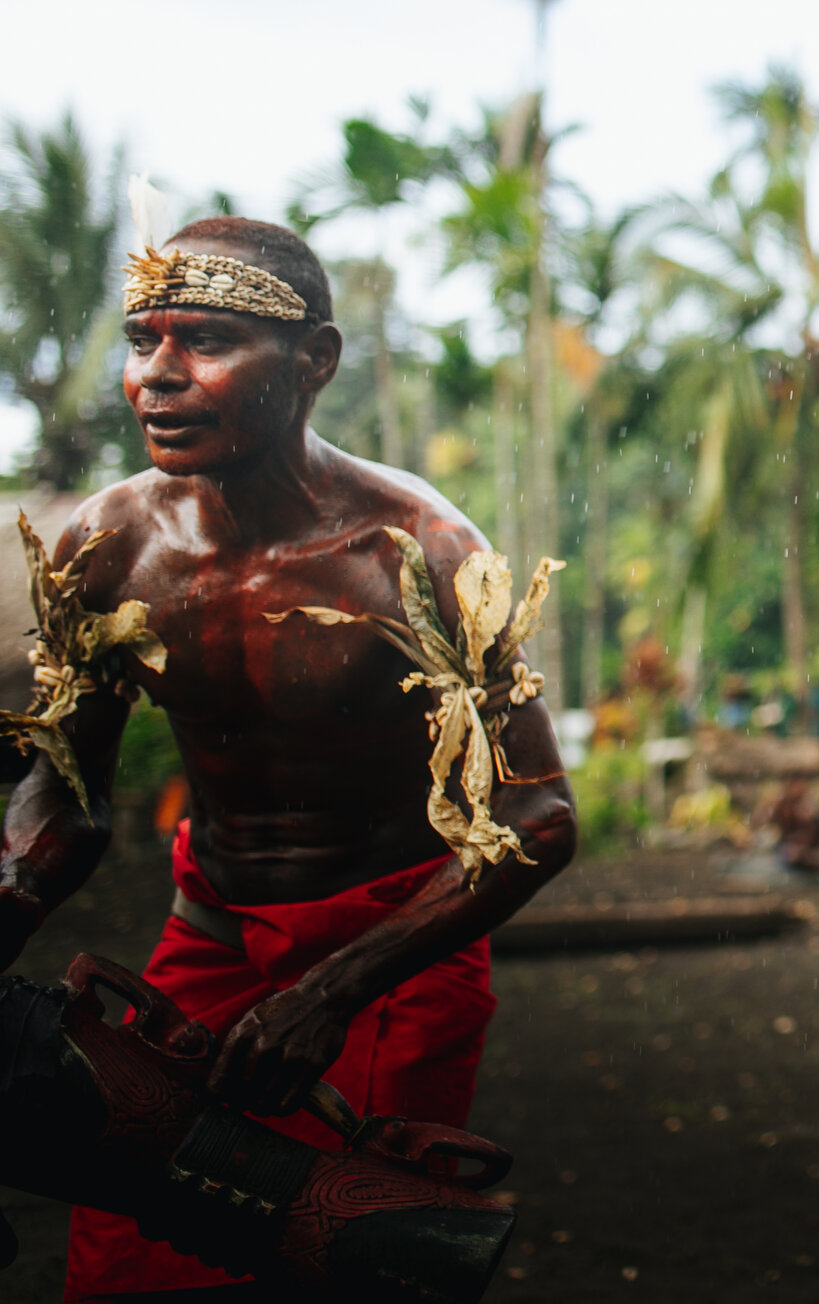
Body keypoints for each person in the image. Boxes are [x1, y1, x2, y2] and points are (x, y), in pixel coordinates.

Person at [0, 215, 576, 1298]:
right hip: (208, 935)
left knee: (349, 1250)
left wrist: (333, 988)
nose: (156, 379)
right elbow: (63, 797)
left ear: (314, 363)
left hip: (398, 954)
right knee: (127, 1256)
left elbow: (538, 821)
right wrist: (13, 893)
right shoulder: (109, 544)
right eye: (143, 341)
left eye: (206, 340)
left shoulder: (418, 555)